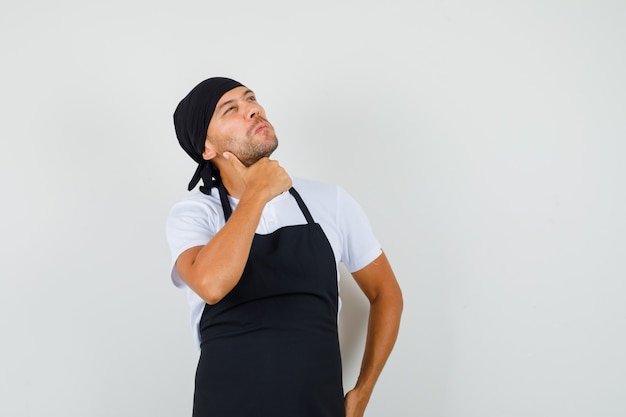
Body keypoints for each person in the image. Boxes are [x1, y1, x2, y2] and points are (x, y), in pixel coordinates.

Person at [166, 77, 403, 417]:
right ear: (207, 148)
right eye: (231, 109)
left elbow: (386, 294)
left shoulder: (330, 201)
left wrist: (361, 393)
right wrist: (258, 191)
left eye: (251, 99)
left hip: (318, 408)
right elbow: (212, 284)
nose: (253, 110)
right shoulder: (193, 215)